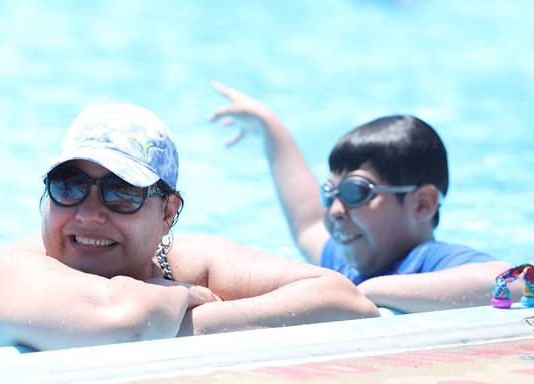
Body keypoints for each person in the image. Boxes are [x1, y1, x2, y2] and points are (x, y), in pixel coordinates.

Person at [0, 103, 378, 353]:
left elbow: (344, 299)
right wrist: (183, 294)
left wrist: (182, 314)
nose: (88, 213)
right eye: (70, 186)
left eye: (121, 193)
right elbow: (120, 325)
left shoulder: (175, 259)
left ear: (168, 213)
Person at [209, 82, 517, 313]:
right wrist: (269, 127)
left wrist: (371, 291)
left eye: (356, 193)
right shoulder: (347, 264)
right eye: (329, 194)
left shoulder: (428, 261)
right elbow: (307, 220)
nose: (335, 211)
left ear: (422, 204)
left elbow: (515, 282)